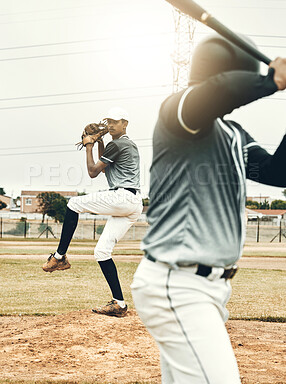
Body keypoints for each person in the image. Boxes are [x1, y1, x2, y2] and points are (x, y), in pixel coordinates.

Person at [131, 34, 286, 383]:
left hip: (209, 288)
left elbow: (279, 172)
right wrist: (269, 81)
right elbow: (214, 93)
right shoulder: (179, 114)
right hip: (178, 283)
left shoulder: (232, 134)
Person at [43, 107, 143, 318]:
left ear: (125, 124)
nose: (111, 125)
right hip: (132, 203)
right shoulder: (124, 145)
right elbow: (106, 167)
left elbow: (92, 171)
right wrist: (99, 143)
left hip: (122, 197)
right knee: (102, 252)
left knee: (73, 204)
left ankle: (60, 257)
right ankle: (119, 304)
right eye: (109, 121)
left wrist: (88, 146)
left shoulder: (119, 143)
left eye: (116, 121)